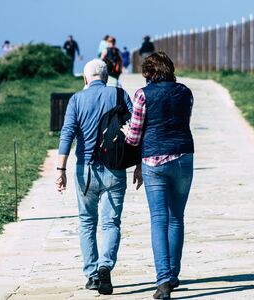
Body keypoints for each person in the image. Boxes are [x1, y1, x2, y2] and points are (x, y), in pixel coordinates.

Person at [56, 59, 143, 295]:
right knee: (111, 222)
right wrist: (138, 165)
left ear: (86, 78)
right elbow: (136, 129)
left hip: (84, 170)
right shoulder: (118, 94)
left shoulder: (76, 99)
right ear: (106, 77)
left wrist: (60, 170)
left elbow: (67, 135)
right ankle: (106, 265)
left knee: (86, 222)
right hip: (114, 168)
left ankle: (92, 275)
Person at [123, 52, 194, 299]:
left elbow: (133, 137)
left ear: (149, 73)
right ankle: (174, 274)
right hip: (184, 156)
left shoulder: (143, 95)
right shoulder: (186, 92)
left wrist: (125, 133)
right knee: (177, 218)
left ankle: (163, 280)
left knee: (159, 219)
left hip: (154, 159)